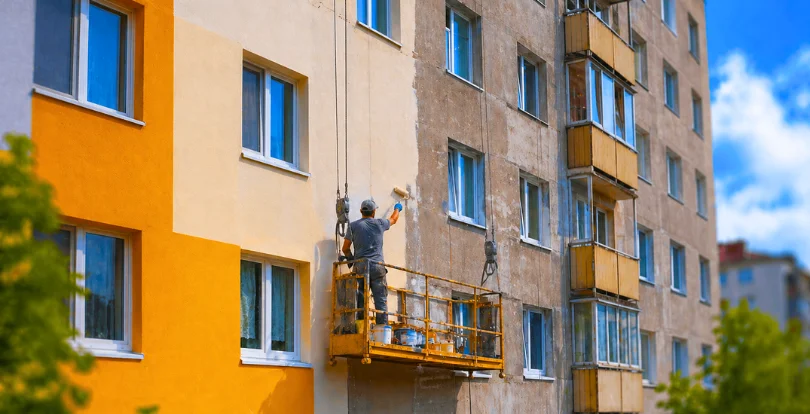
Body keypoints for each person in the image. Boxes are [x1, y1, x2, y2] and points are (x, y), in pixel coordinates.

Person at [342, 199, 402, 325]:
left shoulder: (353, 226)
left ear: (360, 211)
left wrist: (350, 258)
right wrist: (398, 208)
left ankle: (361, 329)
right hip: (378, 267)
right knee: (381, 301)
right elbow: (394, 219)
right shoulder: (380, 223)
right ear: (374, 212)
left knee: (360, 302)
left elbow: (345, 248)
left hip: (361, 267)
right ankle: (382, 331)